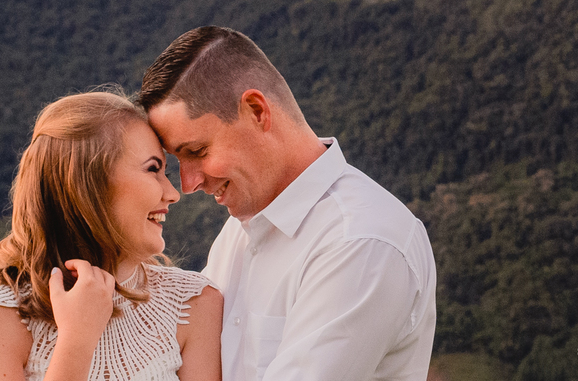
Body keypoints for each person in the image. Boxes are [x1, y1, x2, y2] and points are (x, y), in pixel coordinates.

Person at [139, 27, 436, 381]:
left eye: (197, 151)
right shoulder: (240, 228)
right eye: (177, 161)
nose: (188, 184)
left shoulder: (360, 243)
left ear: (256, 110)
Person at [0, 90, 224, 381]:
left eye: (165, 173)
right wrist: (77, 338)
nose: (173, 194)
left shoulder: (193, 303)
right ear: (88, 187)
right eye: (152, 169)